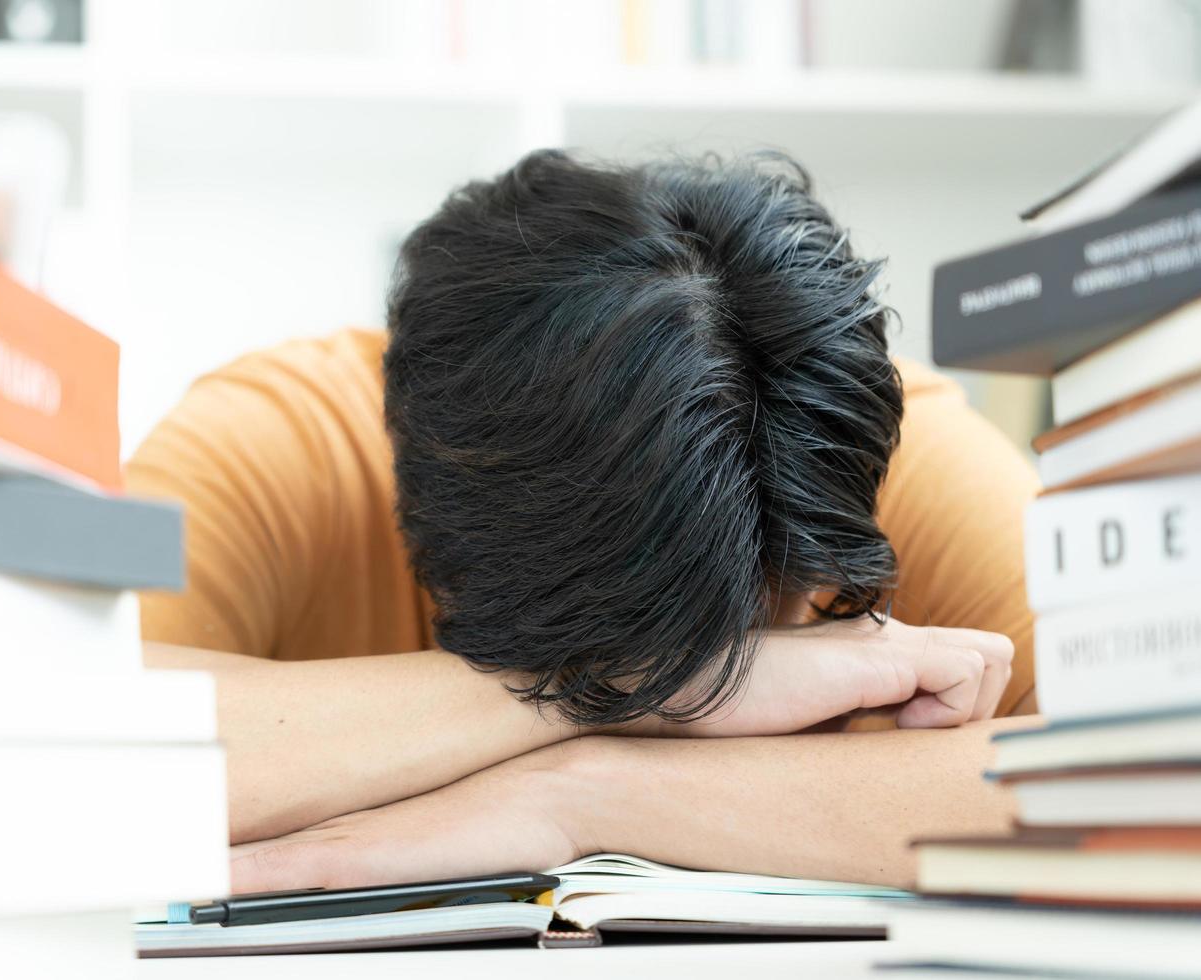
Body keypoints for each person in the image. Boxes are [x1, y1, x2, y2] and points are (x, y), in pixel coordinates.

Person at [126, 150, 1040, 894]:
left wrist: (592, 794)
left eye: (757, 645)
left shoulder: (851, 449)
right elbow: (21, 750)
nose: (694, 709)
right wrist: (575, 695)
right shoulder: (293, 438)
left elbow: (1173, 789)